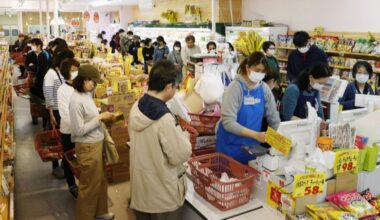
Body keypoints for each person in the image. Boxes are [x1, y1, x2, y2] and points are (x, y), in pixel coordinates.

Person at [128, 60, 191, 220]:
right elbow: (180, 155)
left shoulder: (137, 105)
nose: (176, 91)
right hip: (161, 193)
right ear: (168, 86)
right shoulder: (164, 118)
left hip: (141, 187)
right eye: (176, 87)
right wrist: (185, 136)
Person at [216, 52, 281, 164]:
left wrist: (280, 141)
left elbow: (273, 117)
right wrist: (255, 135)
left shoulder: (264, 89)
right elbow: (228, 122)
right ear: (247, 67)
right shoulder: (234, 88)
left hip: (252, 148)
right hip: (230, 147)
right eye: (257, 70)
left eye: (263, 72)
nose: (260, 74)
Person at [69, 65, 115, 220]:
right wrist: (99, 118)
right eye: (93, 81)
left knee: (100, 180)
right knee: (89, 186)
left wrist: (102, 117)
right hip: (87, 147)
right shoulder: (75, 101)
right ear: (84, 80)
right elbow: (78, 130)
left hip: (96, 144)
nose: (94, 85)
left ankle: (101, 211)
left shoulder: (86, 95)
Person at [43, 49, 75, 179]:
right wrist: (50, 113)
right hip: (55, 111)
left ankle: (63, 165)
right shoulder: (50, 74)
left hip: (62, 110)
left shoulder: (60, 73)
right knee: (55, 141)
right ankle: (55, 166)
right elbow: (48, 94)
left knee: (62, 140)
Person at [57, 58, 80, 197]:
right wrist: (78, 127)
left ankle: (82, 182)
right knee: (68, 157)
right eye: (73, 70)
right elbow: (64, 113)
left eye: (77, 69)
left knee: (80, 157)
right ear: (66, 72)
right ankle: (71, 184)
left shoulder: (80, 86)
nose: (76, 72)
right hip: (68, 130)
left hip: (82, 130)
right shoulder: (62, 90)